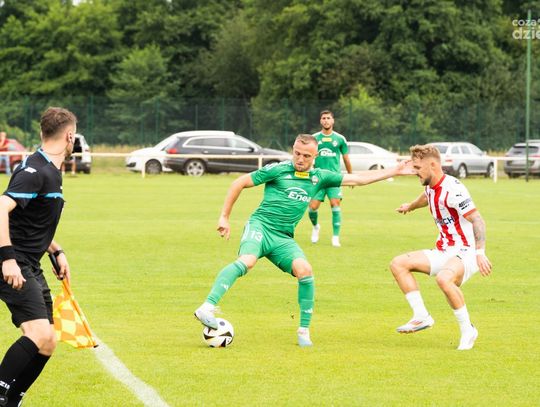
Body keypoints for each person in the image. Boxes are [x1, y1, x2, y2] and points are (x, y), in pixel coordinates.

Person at [194, 134, 414, 347]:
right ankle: (207, 307)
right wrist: (224, 217)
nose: (300, 159)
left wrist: (395, 170)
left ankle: (303, 331)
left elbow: (358, 178)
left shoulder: (320, 177)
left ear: (315, 156)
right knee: (248, 261)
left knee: (305, 270)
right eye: (297, 153)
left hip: (283, 238)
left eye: (306, 156)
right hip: (260, 226)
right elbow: (240, 182)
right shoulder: (278, 169)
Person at [0, 107, 77, 406]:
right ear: (69, 136)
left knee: (48, 342)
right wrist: (8, 259)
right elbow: (1, 209)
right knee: (37, 333)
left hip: (29, 262)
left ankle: (11, 401)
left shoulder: (49, 170)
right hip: (13, 261)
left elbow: (29, 220)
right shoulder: (36, 171)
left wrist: (56, 250)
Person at [389, 144, 492, 350]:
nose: (415, 172)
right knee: (398, 264)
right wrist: (410, 206)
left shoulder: (453, 189)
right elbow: (425, 198)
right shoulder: (430, 186)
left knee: (444, 279)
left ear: (433, 165)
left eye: (418, 168)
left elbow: (478, 220)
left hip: (466, 251)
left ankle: (468, 330)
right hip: (444, 250)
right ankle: (421, 316)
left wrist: (480, 253)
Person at [308, 110, 352, 247]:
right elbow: (308, 156)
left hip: (334, 178)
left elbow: (346, 158)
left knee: (335, 204)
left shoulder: (340, 139)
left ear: (333, 121)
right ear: (320, 121)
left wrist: (351, 176)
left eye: (328, 118)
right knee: (312, 207)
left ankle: (335, 237)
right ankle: (316, 227)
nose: (326, 120)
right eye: (323, 118)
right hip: (318, 178)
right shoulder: (314, 138)